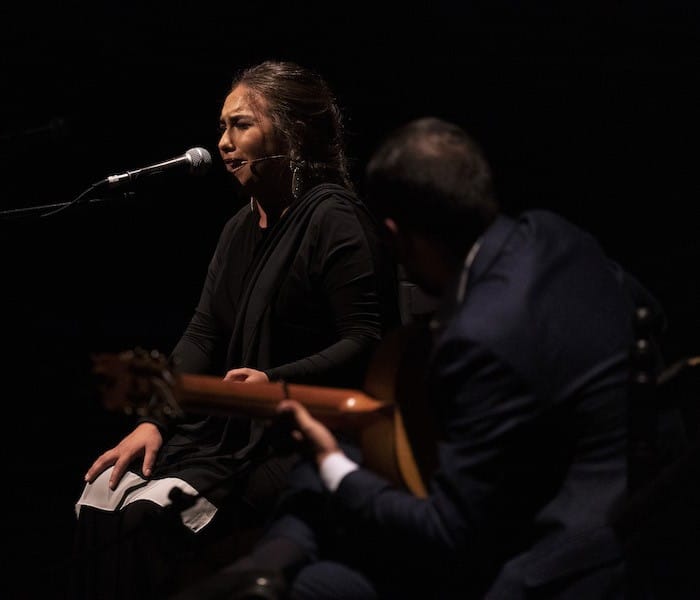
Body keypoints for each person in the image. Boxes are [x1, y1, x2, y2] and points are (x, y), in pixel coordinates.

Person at [191, 116, 666, 599]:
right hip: (640, 498)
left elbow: (448, 533)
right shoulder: (551, 234)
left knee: (320, 581)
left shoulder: (479, 336)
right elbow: (650, 314)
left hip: (555, 559)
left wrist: (332, 462)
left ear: (396, 235)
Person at [70, 60, 400, 599]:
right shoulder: (240, 227)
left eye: (241, 125)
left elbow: (367, 341)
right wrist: (155, 419)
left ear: (292, 131)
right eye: (222, 126)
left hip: (300, 438)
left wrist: (276, 381)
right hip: (231, 433)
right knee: (100, 500)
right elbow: (204, 333)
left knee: (149, 520)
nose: (223, 142)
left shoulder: (334, 219)